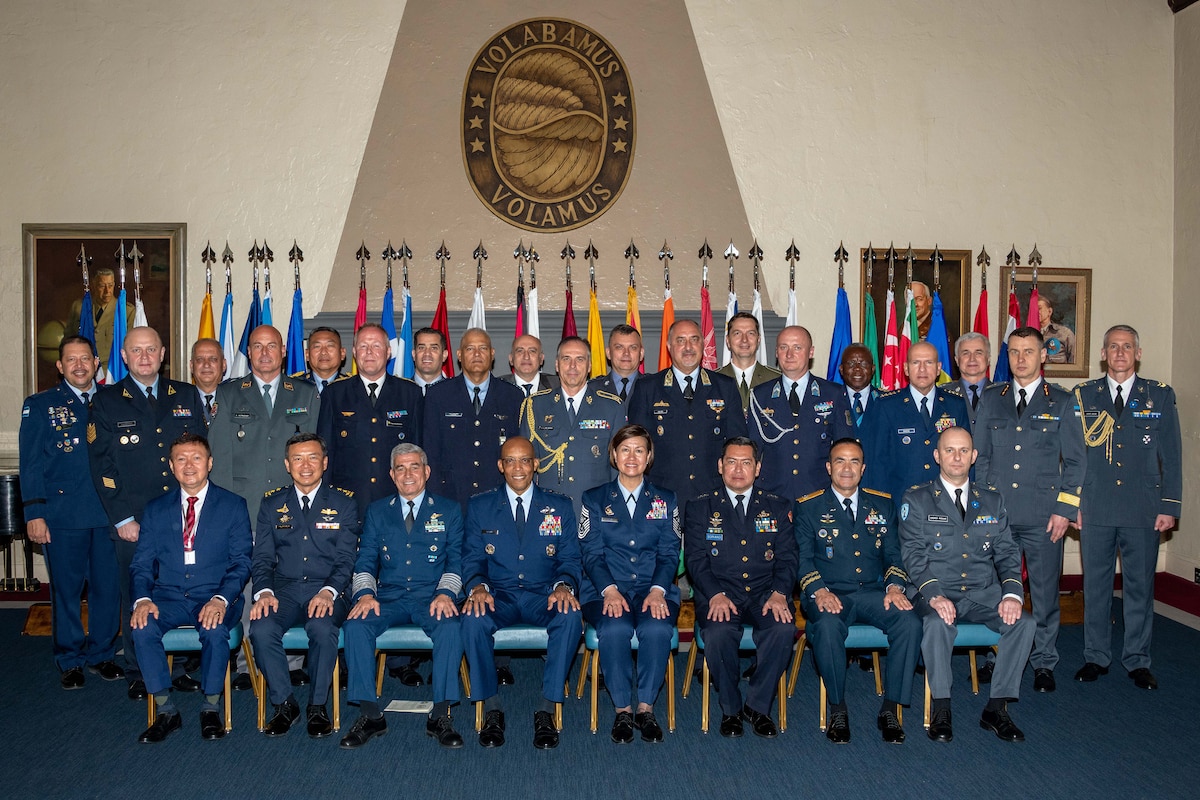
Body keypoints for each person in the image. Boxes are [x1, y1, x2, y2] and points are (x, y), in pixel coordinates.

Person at [88, 326, 207, 700]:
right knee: (136, 594)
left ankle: (186, 666)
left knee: (186, 589)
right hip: (133, 522)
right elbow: (102, 466)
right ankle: (138, 670)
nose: (144, 357)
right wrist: (122, 519)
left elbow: (200, 454)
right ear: (123, 356)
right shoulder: (106, 401)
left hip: (182, 516)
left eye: (151, 350)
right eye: (136, 351)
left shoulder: (185, 394)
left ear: (163, 353)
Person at [899, 427, 1034, 743]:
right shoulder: (916, 499)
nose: (956, 457)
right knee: (936, 624)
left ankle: (996, 708)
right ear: (937, 456)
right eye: (949, 450)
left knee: (1024, 623)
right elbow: (913, 555)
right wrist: (933, 594)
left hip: (981, 592)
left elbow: (1007, 552)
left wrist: (1012, 593)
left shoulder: (991, 499)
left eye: (963, 451)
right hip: (935, 591)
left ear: (974, 457)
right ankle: (942, 708)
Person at [973, 327, 1084, 693]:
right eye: (1015, 352)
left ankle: (1044, 661)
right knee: (998, 590)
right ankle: (997, 655)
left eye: (1029, 352)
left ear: (1043, 357)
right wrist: (981, 508)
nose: (1021, 359)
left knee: (1044, 592)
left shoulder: (1063, 402)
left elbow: (1075, 462)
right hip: (999, 517)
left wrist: (1064, 510)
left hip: (1043, 515)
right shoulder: (991, 398)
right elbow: (982, 456)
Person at [208, 324, 320, 688]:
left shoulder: (305, 393)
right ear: (249, 352)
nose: (265, 353)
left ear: (284, 350)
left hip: (293, 511)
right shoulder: (228, 395)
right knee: (245, 586)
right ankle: (245, 665)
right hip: (247, 508)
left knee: (290, 582)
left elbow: (313, 456)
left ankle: (291, 662)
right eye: (258, 347)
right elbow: (219, 461)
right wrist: (228, 517)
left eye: (272, 346)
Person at [1073, 325, 1181, 690]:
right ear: (1103, 353)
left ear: (1138, 353)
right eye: (1113, 347)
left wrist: (1169, 505)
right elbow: (1074, 457)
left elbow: (1172, 456)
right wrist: (1074, 502)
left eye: (1127, 347)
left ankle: (1137, 660)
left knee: (1139, 587)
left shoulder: (1159, 396)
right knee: (1096, 586)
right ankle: (1095, 657)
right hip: (1096, 506)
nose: (1120, 352)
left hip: (1143, 509)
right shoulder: (1084, 395)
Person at [339, 443, 466, 749]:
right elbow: (366, 560)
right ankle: (370, 714)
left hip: (432, 595)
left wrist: (446, 592)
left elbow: (457, 560)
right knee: (355, 625)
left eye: (414, 467)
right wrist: (366, 594)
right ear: (392, 475)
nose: (408, 474)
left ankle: (440, 715)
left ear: (427, 472)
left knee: (450, 627)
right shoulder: (377, 511)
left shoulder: (449, 510)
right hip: (389, 597)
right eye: (400, 468)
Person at [795, 438, 920, 744]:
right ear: (828, 467)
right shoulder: (808, 507)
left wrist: (894, 586)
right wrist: (818, 591)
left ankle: (890, 708)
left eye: (854, 462)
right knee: (825, 626)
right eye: (840, 461)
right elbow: (801, 559)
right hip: (829, 592)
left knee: (910, 621)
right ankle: (838, 708)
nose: (847, 468)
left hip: (874, 592)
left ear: (863, 469)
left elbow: (894, 555)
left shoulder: (883, 505)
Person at [129, 433, 252, 742]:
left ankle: (210, 708)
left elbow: (241, 563)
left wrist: (221, 599)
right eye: (181, 459)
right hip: (168, 596)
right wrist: (143, 599)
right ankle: (166, 710)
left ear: (209, 463)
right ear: (171, 466)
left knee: (213, 630)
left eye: (196, 458)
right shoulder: (156, 509)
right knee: (142, 627)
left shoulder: (233, 505)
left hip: (214, 596)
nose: (189, 465)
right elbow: (142, 564)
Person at [461, 437, 582, 749]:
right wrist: (477, 586)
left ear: (536, 464)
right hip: (498, 595)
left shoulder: (559, 505)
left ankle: (547, 708)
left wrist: (564, 586)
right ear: (500, 466)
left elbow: (570, 559)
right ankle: (491, 708)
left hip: (543, 595)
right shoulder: (480, 506)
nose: (518, 468)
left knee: (570, 616)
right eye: (510, 461)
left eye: (525, 460)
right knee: (473, 619)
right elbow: (472, 558)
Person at [20, 335, 123, 689]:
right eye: (71, 360)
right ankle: (70, 658)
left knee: (108, 589)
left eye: (86, 359)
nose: (80, 365)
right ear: (60, 366)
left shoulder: (113, 402)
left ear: (97, 364)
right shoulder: (41, 405)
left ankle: (103, 654)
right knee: (66, 590)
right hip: (63, 518)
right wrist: (34, 512)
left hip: (109, 515)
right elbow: (30, 464)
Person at [684, 437, 797, 738]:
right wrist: (715, 594)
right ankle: (731, 709)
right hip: (720, 592)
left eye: (746, 462)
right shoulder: (700, 507)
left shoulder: (777, 506)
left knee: (782, 629)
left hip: (765, 593)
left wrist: (780, 593)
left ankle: (757, 707)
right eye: (731, 461)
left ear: (757, 468)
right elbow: (695, 560)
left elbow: (788, 558)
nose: (738, 469)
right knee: (719, 632)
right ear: (720, 466)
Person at [249, 433, 360, 738]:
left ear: (325, 463)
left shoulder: (344, 502)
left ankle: (317, 705)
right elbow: (261, 558)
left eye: (313, 457)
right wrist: (264, 592)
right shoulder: (272, 503)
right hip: (283, 590)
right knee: (260, 628)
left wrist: (329, 591)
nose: (305, 465)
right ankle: (284, 703)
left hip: (327, 589)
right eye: (297, 458)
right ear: (287, 465)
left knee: (322, 628)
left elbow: (346, 559)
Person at [578, 424, 680, 744]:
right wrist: (609, 589)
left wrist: (658, 589)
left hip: (654, 588)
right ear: (613, 455)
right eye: (625, 450)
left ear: (649, 457)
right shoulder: (594, 499)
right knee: (616, 627)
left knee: (656, 628)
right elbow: (591, 554)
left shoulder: (665, 499)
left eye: (639, 450)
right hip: (604, 589)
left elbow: (669, 552)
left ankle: (645, 708)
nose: (631, 456)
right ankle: (622, 709)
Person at [627, 319, 747, 506]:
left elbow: (738, 443)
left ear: (703, 344)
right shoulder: (647, 388)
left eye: (694, 339)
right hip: (662, 497)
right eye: (680, 340)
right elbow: (637, 446)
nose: (688, 347)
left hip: (713, 497)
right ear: (669, 346)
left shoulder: (725, 387)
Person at [317, 323, 423, 517]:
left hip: (394, 498)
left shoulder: (410, 393)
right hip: (347, 501)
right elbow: (326, 451)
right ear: (355, 352)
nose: (369, 352)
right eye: (363, 346)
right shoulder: (335, 394)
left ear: (388, 352)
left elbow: (419, 449)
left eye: (376, 346)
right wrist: (325, 499)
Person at [519, 336, 624, 513]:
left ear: (589, 366)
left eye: (580, 359)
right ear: (557, 365)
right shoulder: (535, 406)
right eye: (566, 359)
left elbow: (618, 468)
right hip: (548, 512)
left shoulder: (612, 407)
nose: (573, 366)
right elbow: (525, 465)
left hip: (596, 512)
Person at [748, 326, 853, 501]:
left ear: (810, 352)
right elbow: (752, 453)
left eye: (797, 347)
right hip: (772, 498)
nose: (789, 354)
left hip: (819, 497)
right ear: (776, 352)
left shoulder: (833, 394)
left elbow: (845, 448)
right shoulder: (760, 395)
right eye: (783, 347)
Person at [423, 328, 524, 508]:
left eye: (483, 348)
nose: (477, 354)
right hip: (450, 499)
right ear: (459, 355)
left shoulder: (512, 396)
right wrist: (436, 500)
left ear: (492, 354)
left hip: (498, 500)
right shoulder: (438, 395)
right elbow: (431, 453)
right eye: (470, 349)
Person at [862, 341, 969, 502]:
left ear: (939, 368)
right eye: (916, 362)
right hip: (901, 502)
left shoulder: (956, 405)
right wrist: (881, 507)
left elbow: (966, 456)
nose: (922, 369)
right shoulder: (886, 406)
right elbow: (877, 463)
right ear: (906, 368)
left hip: (947, 502)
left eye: (929, 362)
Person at [65, 267, 134, 374]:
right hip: (83, 368)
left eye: (110, 286)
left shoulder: (126, 311)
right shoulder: (80, 308)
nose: (107, 291)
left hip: (113, 371)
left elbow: (132, 345)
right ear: (93, 285)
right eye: (102, 286)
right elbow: (68, 339)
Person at [717, 311, 780, 411]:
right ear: (728, 341)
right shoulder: (714, 381)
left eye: (751, 333)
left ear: (758, 340)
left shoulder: (777, 380)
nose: (744, 339)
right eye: (737, 333)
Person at [589, 324, 643, 404]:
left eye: (633, 347)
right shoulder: (591, 389)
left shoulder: (654, 388)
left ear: (641, 354)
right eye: (619, 347)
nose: (626, 353)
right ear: (608, 353)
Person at [292, 326, 348, 395]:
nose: (323, 352)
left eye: (330, 346)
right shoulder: (294, 387)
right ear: (307, 355)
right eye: (317, 346)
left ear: (342, 353)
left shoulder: (353, 388)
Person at [954, 332, 991, 430]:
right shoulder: (942, 395)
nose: (972, 359)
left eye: (978, 353)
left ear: (988, 359)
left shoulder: (1003, 395)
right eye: (965, 353)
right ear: (957, 360)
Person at [839, 343, 880, 430]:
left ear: (872, 369)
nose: (857, 368)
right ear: (841, 369)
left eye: (864, 364)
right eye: (851, 363)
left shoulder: (886, 400)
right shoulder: (832, 399)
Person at [189, 338, 225, 423]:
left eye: (213, 359)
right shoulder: (179, 400)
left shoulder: (236, 400)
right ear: (191, 366)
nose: (206, 365)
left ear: (223, 365)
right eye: (199, 359)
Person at [1038, 296, 1076, 365]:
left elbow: (1073, 361)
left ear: (1049, 311)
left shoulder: (1065, 333)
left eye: (1039, 308)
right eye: (1033, 309)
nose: (1036, 312)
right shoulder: (1028, 335)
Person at [411, 327, 449, 395]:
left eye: (434, 348)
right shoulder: (399, 392)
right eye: (421, 348)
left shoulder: (456, 393)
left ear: (444, 355)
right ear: (414, 355)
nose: (427, 353)